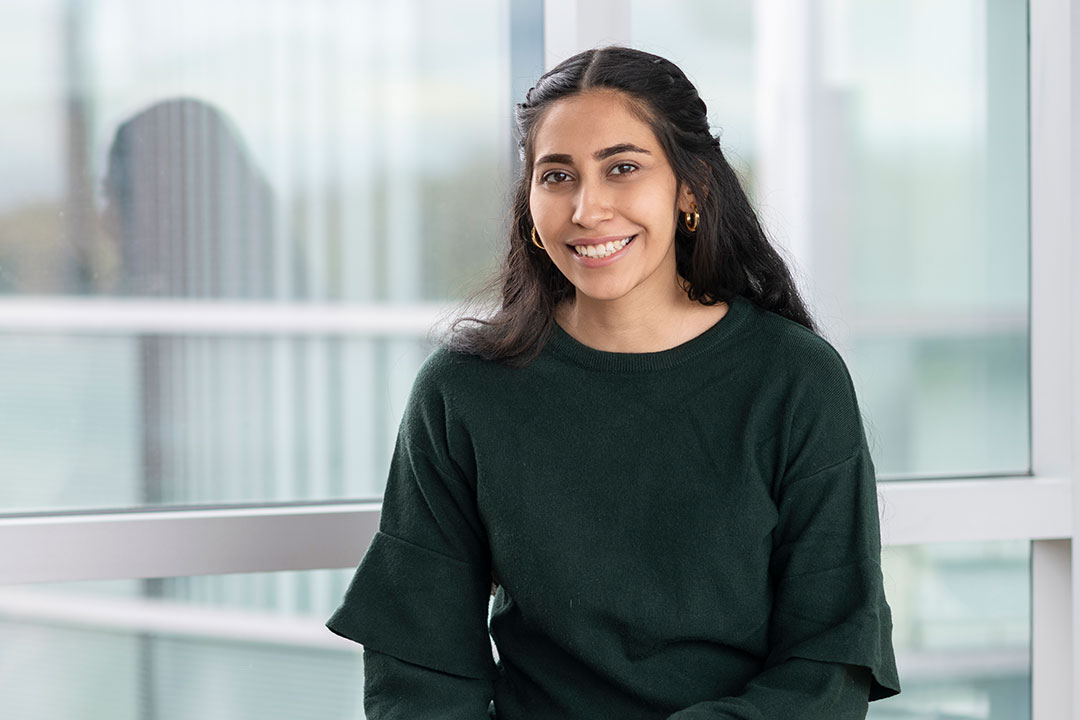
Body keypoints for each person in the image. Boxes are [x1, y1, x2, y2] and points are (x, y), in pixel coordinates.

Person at [326, 46, 901, 719]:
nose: (586, 208)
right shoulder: (462, 391)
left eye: (622, 168)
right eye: (558, 175)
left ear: (691, 189)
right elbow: (419, 667)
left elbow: (827, 664)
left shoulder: (795, 379)